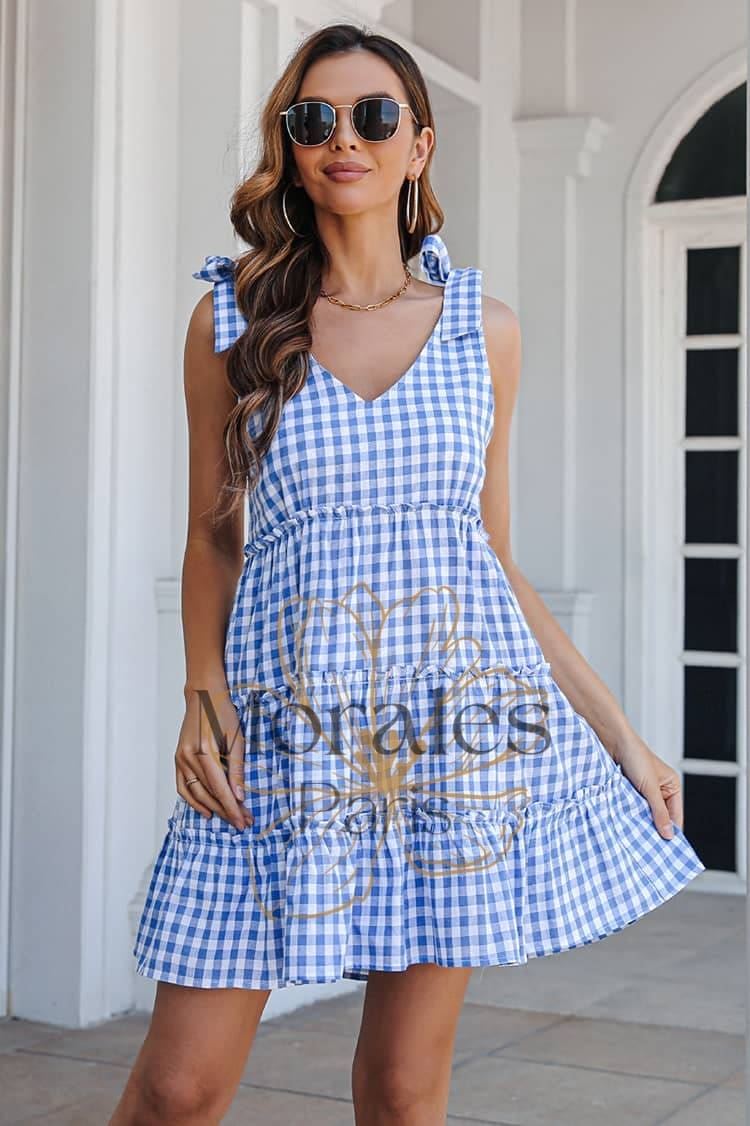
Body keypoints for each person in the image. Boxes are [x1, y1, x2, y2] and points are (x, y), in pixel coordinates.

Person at [110, 21, 705, 1126]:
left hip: (452, 738)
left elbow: (492, 560)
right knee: (180, 1088)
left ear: (419, 146)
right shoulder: (233, 320)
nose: (346, 139)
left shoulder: (485, 330)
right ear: (291, 150)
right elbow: (212, 537)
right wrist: (201, 694)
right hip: (284, 734)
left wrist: (622, 733)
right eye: (315, 120)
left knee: (400, 1087)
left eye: (374, 116)